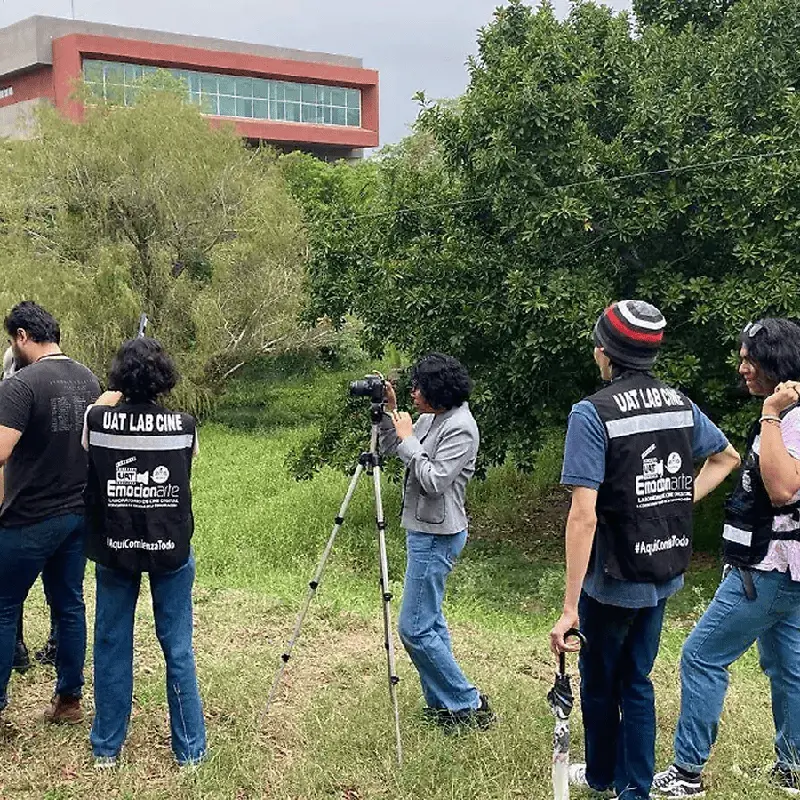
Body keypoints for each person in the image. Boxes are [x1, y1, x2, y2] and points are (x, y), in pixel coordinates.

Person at [549, 300, 740, 800]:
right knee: (638, 678)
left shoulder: (591, 413)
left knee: (599, 681)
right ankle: (633, 788)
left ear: (604, 352)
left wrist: (569, 608)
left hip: (613, 577)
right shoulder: (678, 403)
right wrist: (676, 504)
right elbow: (726, 457)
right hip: (662, 570)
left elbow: (583, 514)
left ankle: (606, 779)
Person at [653, 318, 800, 798]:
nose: (741, 368)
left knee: (701, 655)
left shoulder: (789, 417)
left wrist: (771, 413)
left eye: (748, 359)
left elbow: (781, 491)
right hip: (785, 568)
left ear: (775, 361)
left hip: (768, 568)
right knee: (786, 667)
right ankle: (793, 768)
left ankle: (686, 773)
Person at [84, 337, 206, 768]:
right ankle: (190, 751)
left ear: (119, 376)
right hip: (170, 546)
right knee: (178, 648)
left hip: (114, 547)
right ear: (163, 378)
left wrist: (111, 399)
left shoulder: (97, 420)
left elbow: (93, 424)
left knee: (111, 642)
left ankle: (106, 748)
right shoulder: (185, 425)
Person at [379, 352, 494, 731]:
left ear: (438, 392)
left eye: (418, 388)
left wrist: (410, 441)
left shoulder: (461, 427)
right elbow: (391, 448)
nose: (413, 393)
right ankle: (444, 705)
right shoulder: (433, 418)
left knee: (413, 628)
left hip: (438, 535)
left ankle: (468, 702)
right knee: (432, 623)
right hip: (425, 532)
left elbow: (433, 481)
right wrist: (389, 414)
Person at [0, 301, 100, 722]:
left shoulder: (20, 385)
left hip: (27, 517)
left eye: (11, 340)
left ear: (22, 336)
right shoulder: (88, 379)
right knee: (70, 605)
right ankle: (69, 701)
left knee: (3, 606)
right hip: (76, 515)